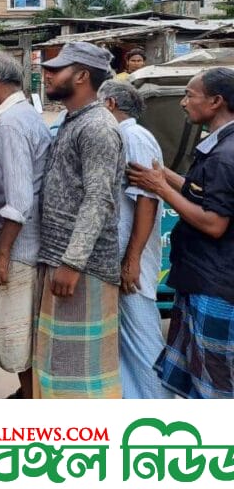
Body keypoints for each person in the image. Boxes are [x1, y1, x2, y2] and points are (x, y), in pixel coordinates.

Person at [128, 67, 234, 399]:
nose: (183, 103)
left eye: (190, 95)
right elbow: (200, 190)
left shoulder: (225, 156)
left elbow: (215, 223)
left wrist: (160, 187)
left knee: (213, 382)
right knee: (196, 372)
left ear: (216, 101)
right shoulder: (219, 146)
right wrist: (165, 177)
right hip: (199, 277)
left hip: (214, 282)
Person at [36, 41, 125, 399]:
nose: (48, 74)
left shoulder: (98, 127)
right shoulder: (75, 120)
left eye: (57, 69)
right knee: (56, 368)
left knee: (81, 377)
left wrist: (72, 263)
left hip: (83, 269)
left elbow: (97, 199)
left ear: (83, 76)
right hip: (63, 262)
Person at [0, 50, 51, 400]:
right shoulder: (23, 117)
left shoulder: (12, 124)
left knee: (16, 341)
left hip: (17, 250)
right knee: (21, 340)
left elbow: (18, 200)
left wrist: (1, 256)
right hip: (22, 245)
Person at [97, 80, 169, 399]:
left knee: (144, 344)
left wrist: (132, 259)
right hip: (121, 256)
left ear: (110, 103)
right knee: (125, 347)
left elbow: (147, 198)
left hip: (131, 261)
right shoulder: (121, 135)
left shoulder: (134, 136)